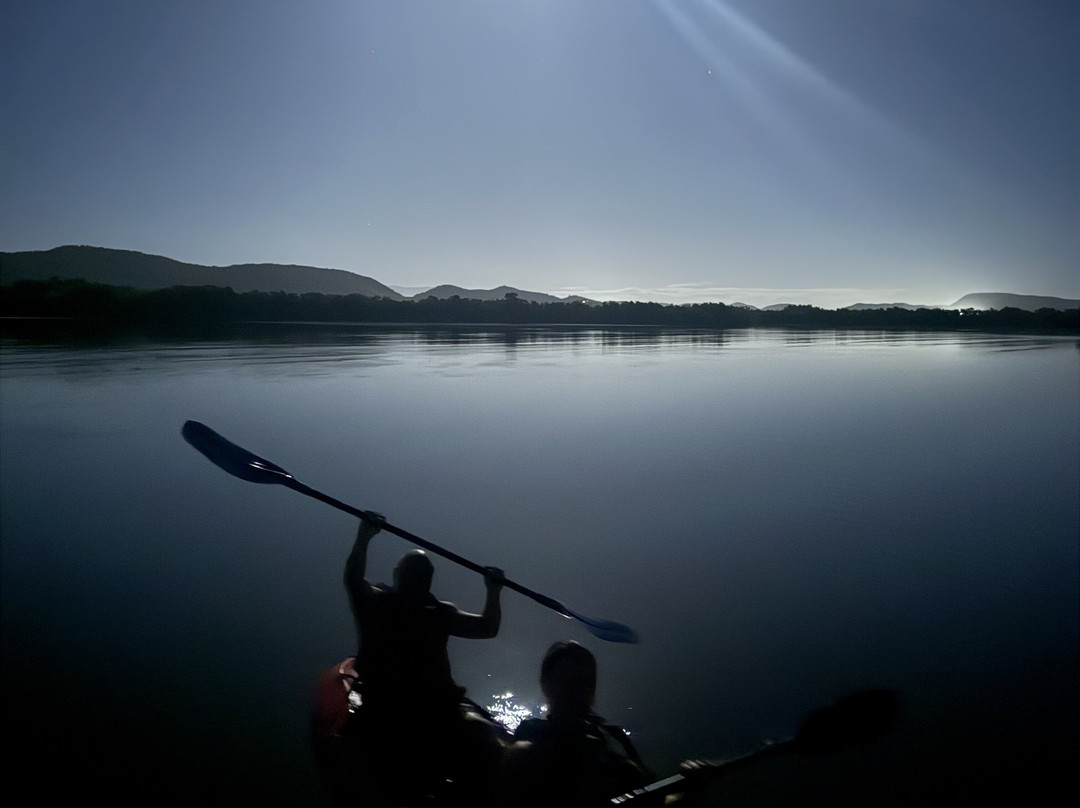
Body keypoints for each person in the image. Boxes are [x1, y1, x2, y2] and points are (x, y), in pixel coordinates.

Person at [339, 512, 508, 804]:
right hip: (387, 710)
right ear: (400, 575)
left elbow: (486, 628)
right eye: (414, 571)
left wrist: (493, 591)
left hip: (437, 710)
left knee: (483, 737)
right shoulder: (378, 603)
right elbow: (353, 579)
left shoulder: (438, 613)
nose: (417, 576)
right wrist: (364, 536)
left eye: (421, 572)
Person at [501, 641, 656, 807]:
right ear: (547, 684)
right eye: (568, 679)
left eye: (584, 681)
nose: (577, 688)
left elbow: (652, 796)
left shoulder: (614, 739)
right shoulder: (530, 736)